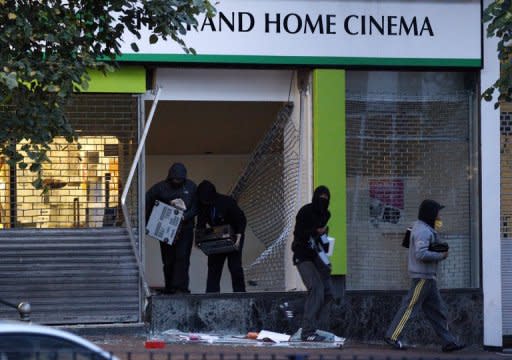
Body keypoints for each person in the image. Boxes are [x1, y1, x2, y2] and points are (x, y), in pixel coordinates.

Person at [384, 199, 466, 352]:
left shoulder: (419, 227)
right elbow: (420, 254)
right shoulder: (423, 231)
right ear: (430, 213)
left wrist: (435, 246)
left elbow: (409, 244)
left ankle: (449, 342)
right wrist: (441, 255)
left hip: (428, 277)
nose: (439, 216)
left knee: (437, 311)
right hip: (422, 276)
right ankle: (392, 336)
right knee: (409, 308)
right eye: (437, 213)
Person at [145, 162, 197, 294]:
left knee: (182, 257)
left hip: (185, 228)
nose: (177, 181)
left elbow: (197, 206)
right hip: (166, 228)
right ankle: (170, 287)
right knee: (168, 260)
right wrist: (151, 222)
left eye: (180, 179)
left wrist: (186, 216)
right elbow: (147, 200)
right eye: (175, 179)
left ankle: (181, 288)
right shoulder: (160, 188)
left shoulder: (191, 187)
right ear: (170, 177)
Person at [291, 185, 334, 342]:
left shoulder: (326, 214)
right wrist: (315, 232)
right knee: (316, 288)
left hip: (317, 254)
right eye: (321, 198)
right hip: (302, 255)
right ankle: (307, 331)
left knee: (328, 292)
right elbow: (299, 234)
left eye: (326, 199)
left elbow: (322, 241)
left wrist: (324, 240)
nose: (323, 202)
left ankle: (316, 326)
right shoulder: (305, 211)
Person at [196, 180, 247, 293]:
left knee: (235, 266)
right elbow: (200, 225)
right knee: (214, 267)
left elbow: (241, 220)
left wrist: (239, 237)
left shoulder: (227, 202)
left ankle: (240, 293)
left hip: (234, 234)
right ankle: (211, 295)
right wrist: (200, 241)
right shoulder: (203, 206)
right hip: (217, 235)